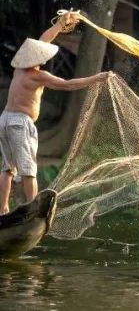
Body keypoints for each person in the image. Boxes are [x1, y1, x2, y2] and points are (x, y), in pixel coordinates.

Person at [1, 12, 109, 214]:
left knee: (8, 168)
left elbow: (43, 40)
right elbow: (67, 85)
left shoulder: (19, 70)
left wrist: (60, 24)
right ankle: (33, 210)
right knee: (28, 170)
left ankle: (2, 209)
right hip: (19, 123)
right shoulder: (38, 75)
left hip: (5, 120)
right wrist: (96, 78)